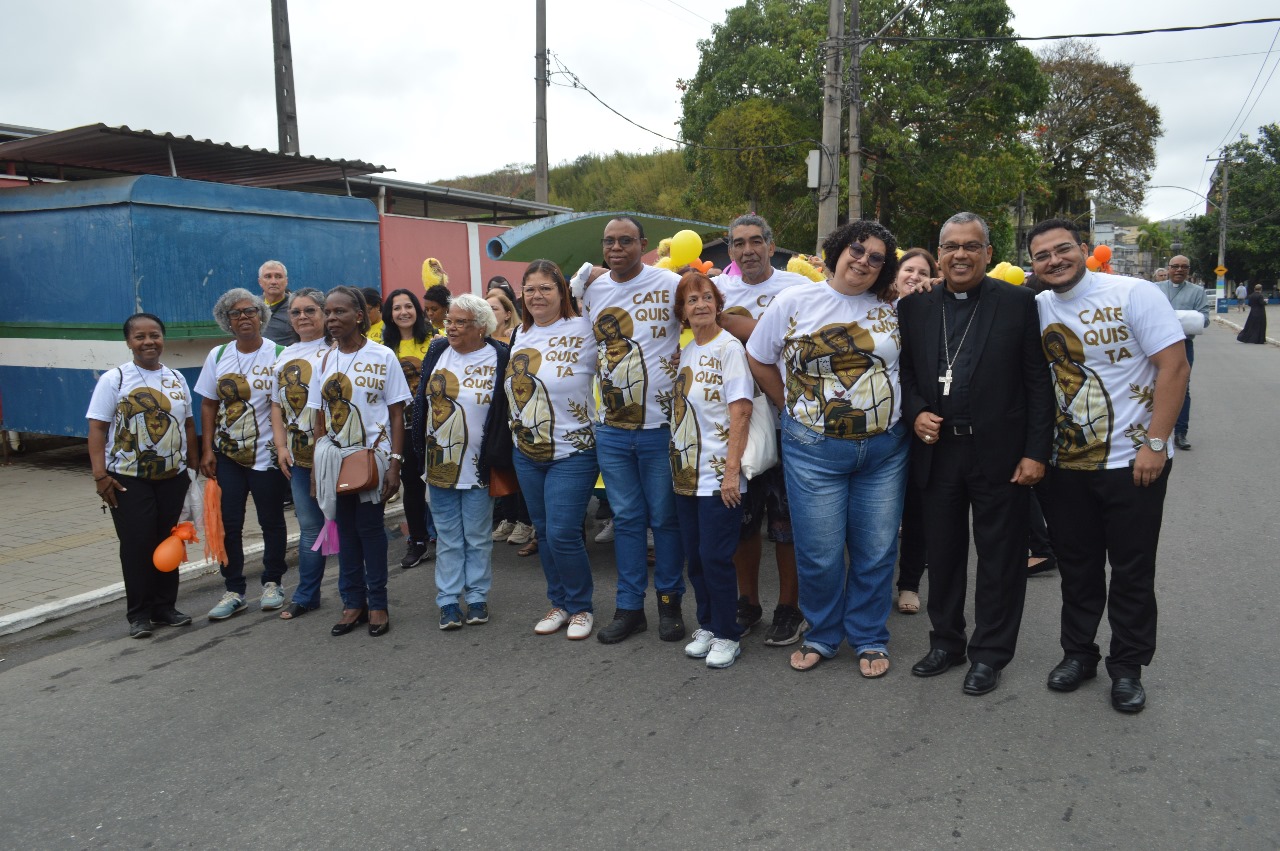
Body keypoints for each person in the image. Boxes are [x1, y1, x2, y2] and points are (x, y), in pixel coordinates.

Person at [1028, 218, 1189, 714]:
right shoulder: (1035, 307)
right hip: (1065, 468)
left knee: (1132, 571)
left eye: (1063, 250)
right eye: (1042, 255)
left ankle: (1128, 668)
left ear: (1084, 250)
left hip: (1134, 464)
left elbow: (1174, 366)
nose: (1054, 260)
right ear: (1032, 264)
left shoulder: (1134, 293)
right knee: (1077, 570)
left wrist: (1156, 444)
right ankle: (1078, 655)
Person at [897, 212, 1054, 696]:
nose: (960, 254)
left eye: (971, 246)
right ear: (938, 253)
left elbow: (1037, 384)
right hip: (938, 450)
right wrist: (917, 411)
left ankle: (990, 653)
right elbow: (906, 375)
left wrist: (1035, 452)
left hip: (1000, 454)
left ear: (988, 253)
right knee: (942, 553)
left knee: (1000, 557)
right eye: (950, 246)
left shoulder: (1019, 303)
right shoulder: (916, 307)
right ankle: (946, 642)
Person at [746, 220, 907, 678]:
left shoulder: (892, 308)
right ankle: (821, 633)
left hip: (884, 450)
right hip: (813, 449)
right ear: (838, 249)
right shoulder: (795, 301)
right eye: (858, 249)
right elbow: (759, 356)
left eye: (877, 258)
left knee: (876, 550)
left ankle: (870, 635)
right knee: (819, 551)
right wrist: (786, 403)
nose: (864, 261)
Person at [582, 216, 687, 644]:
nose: (617, 248)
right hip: (611, 429)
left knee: (664, 519)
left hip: (661, 426)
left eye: (626, 241)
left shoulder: (671, 283)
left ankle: (669, 605)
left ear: (643, 244)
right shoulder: (592, 289)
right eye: (609, 242)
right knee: (626, 519)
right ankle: (629, 609)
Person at [711, 214, 812, 645]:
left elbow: (807, 342)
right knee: (742, 521)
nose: (747, 250)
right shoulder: (718, 291)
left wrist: (748, 329)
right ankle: (747, 601)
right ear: (730, 251)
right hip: (736, 425)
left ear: (772, 246)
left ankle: (791, 607)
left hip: (789, 420)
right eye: (738, 243)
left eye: (756, 241)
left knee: (787, 522)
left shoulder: (799, 290)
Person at [87, 313, 200, 638]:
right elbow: (97, 428)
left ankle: (165, 607)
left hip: (173, 476)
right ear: (129, 342)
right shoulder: (116, 379)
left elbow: (189, 424)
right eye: (140, 337)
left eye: (155, 335)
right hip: (127, 479)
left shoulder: (176, 378)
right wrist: (100, 476)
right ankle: (139, 614)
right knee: (137, 545)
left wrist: (192, 469)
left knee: (170, 540)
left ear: (163, 339)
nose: (148, 342)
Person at [308, 286, 411, 637]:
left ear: (359, 316)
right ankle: (353, 603)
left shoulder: (383, 356)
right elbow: (319, 420)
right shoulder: (323, 360)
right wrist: (314, 471)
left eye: (340, 312)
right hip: (333, 461)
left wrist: (395, 465)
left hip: (371, 459)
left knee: (369, 529)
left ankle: (378, 603)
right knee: (345, 531)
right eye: (329, 312)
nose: (332, 319)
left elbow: (397, 415)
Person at [506, 260, 600, 640]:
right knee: (543, 531)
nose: (537, 296)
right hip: (526, 451)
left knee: (562, 532)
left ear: (563, 292)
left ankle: (581, 607)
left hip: (573, 450)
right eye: (530, 289)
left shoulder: (584, 328)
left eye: (546, 288)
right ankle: (558, 602)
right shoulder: (518, 335)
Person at [410, 293, 512, 630]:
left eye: (459, 322)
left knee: (478, 535)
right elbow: (422, 400)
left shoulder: (500, 356)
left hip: (478, 464)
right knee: (449, 536)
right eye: (449, 321)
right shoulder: (438, 351)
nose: (450, 327)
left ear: (481, 327)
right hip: (439, 462)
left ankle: (478, 597)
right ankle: (449, 601)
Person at [670, 272, 754, 668]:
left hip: (720, 475)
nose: (700, 304)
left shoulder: (729, 348)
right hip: (686, 474)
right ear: (682, 313)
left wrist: (732, 472)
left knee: (716, 556)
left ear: (718, 304)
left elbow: (741, 409)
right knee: (696, 557)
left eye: (706, 297)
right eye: (691, 300)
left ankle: (727, 633)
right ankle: (707, 623)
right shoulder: (687, 351)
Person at [195, 288, 289, 620]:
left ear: (261, 316)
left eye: (250, 311)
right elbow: (208, 403)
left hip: (267, 457)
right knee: (229, 524)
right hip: (228, 456)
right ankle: (234, 589)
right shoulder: (218, 356)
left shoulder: (281, 353)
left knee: (272, 522)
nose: (244, 317)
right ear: (227, 322)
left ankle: (273, 582)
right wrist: (206, 449)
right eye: (236, 314)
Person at [268, 288, 331, 619]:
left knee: (345, 526)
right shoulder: (283, 355)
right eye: (296, 312)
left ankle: (358, 593)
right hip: (299, 459)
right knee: (309, 527)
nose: (302, 317)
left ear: (323, 313)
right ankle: (307, 594)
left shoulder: (334, 350)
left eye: (310, 311)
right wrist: (281, 447)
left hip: (335, 458)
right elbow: (276, 405)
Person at [889, 248, 939, 615]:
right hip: (883, 424)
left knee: (918, 508)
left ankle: (909, 583)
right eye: (909, 269)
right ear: (895, 274)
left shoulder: (937, 308)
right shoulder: (876, 310)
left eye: (924, 271)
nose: (915, 276)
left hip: (921, 418)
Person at [381, 288, 440, 567]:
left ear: (417, 309)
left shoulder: (436, 341)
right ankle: (417, 540)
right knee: (412, 486)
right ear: (389, 315)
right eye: (396, 308)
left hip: (437, 425)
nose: (403, 312)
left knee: (441, 483)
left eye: (408, 306)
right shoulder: (383, 350)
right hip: (401, 427)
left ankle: (447, 536)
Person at [487, 288, 536, 551]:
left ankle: (527, 522)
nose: (489, 313)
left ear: (508, 313)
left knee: (520, 467)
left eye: (494, 308)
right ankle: (509, 517)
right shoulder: (481, 341)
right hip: (496, 413)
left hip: (518, 411)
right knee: (502, 464)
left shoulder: (515, 338)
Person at [1155, 255, 1208, 450]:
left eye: (1184, 267)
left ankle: (1180, 433)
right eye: (1175, 266)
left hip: (1183, 345)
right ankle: (1152, 431)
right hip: (1155, 344)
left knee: (1181, 389)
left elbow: (1205, 319)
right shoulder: (1155, 289)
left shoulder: (1197, 292)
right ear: (1168, 269)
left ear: (1188, 270)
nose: (1179, 270)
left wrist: (1179, 319)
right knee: (1149, 386)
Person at [259, 260, 298, 346]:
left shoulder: (296, 306)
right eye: (268, 276)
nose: (273, 282)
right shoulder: (253, 306)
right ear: (260, 282)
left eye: (278, 276)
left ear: (286, 281)